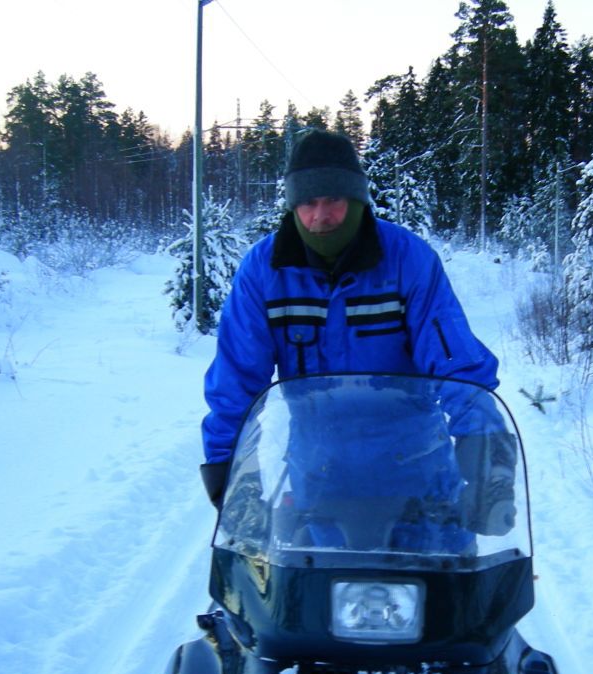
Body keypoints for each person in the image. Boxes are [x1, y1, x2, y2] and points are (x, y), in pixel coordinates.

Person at [200, 128, 512, 538]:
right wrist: (232, 481)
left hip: (419, 478)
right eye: (308, 202)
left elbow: (458, 366)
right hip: (320, 482)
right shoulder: (264, 271)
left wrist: (489, 468)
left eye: (333, 199)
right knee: (302, 600)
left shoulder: (407, 261)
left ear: (358, 198)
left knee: (450, 596)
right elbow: (236, 378)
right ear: (293, 206)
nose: (320, 216)